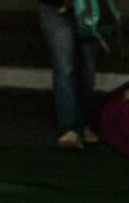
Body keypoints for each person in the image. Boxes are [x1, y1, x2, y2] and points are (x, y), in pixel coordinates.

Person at [38, 0, 99, 149]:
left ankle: (83, 123)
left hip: (88, 7)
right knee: (64, 67)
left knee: (87, 69)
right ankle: (71, 128)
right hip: (54, 8)